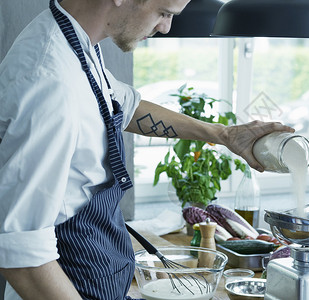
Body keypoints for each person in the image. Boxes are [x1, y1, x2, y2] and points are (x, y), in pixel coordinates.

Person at [0, 0, 293, 299]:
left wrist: (224, 135)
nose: (165, 27)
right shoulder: (49, 82)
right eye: (164, 13)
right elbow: (23, 256)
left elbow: (124, 105)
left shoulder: (77, 47)